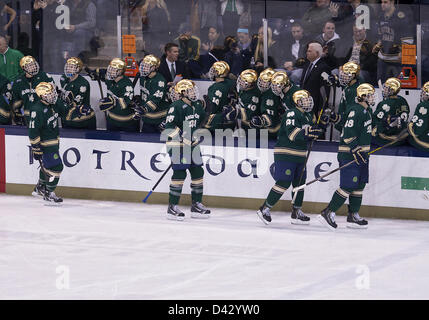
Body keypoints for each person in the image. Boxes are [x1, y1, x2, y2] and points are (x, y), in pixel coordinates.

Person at [256, 90, 323, 225]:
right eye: (305, 99)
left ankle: (296, 211)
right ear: (297, 101)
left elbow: (308, 133)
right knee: (284, 182)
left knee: (300, 184)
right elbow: (292, 134)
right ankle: (264, 208)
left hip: (300, 154)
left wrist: (317, 130)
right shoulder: (292, 113)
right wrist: (307, 132)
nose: (308, 101)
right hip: (286, 152)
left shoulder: (308, 116)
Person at [318, 83, 375, 230]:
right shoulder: (356, 111)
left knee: (359, 185)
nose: (372, 97)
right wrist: (356, 150)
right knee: (348, 185)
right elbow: (348, 133)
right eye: (370, 95)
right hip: (351, 154)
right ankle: (328, 212)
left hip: (362, 155)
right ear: (362, 96)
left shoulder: (367, 111)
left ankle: (353, 215)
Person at [163, 79, 211, 220]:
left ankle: (196, 205)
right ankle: (172, 206)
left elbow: (203, 121)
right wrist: (183, 136)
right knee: (180, 173)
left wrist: (212, 113)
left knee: (198, 171)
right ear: (182, 93)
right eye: (190, 91)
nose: (193, 93)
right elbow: (169, 128)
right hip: (177, 145)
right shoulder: (176, 106)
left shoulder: (196, 105)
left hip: (193, 144)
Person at [29, 82, 73, 204]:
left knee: (48, 166)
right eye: (50, 94)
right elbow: (33, 130)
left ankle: (40, 187)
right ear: (42, 96)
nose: (53, 96)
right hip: (45, 144)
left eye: (53, 93)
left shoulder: (54, 104)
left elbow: (65, 114)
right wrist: (35, 147)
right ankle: (49, 192)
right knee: (58, 166)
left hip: (54, 141)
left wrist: (69, 103)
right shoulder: (37, 110)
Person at [88, 58, 138, 132]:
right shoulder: (110, 79)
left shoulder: (127, 85)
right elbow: (103, 74)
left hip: (126, 123)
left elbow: (124, 104)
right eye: (110, 68)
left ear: (121, 71)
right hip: (111, 120)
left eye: (114, 69)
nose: (110, 71)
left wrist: (112, 102)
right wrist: (96, 73)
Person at [372, 0, 414, 83]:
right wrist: (377, 45)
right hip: (383, 57)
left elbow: (408, 37)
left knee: (397, 86)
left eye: (385, 2)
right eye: (381, 2)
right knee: (381, 84)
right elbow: (381, 34)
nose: (382, 5)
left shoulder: (401, 17)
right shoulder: (381, 16)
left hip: (397, 60)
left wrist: (403, 52)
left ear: (392, 2)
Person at [11, 55, 55, 126]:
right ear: (24, 68)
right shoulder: (18, 81)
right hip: (27, 117)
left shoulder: (45, 77)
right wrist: (17, 116)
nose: (33, 67)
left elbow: (53, 98)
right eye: (30, 65)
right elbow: (15, 102)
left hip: (44, 116)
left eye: (34, 64)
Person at [132, 54, 169, 133]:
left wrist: (144, 109)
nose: (143, 68)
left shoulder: (160, 81)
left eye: (147, 66)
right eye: (143, 65)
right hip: (147, 118)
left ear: (154, 67)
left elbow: (155, 100)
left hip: (160, 119)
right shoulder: (142, 77)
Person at [59, 57, 96, 130]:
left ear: (78, 69)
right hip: (67, 115)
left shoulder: (83, 83)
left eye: (72, 67)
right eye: (68, 66)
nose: (69, 69)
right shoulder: (63, 78)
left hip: (80, 117)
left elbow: (75, 103)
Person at [371, 77, 409, 146]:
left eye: (386, 88)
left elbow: (375, 121)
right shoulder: (403, 100)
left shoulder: (384, 104)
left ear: (392, 90)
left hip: (386, 139)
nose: (384, 90)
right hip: (400, 137)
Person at [299, 42, 330, 122]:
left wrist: (321, 108)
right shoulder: (307, 65)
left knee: (315, 132)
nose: (307, 53)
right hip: (304, 104)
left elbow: (324, 91)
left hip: (315, 107)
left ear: (316, 53)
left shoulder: (324, 68)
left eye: (309, 51)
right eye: (307, 51)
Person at [328, 61, 361, 134]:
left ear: (353, 75)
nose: (343, 76)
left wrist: (339, 119)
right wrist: (336, 80)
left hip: (351, 125)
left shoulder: (354, 91)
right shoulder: (350, 84)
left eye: (346, 74)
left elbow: (351, 112)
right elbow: (342, 84)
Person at [204, 61, 237, 132]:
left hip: (218, 123)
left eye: (214, 70)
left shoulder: (215, 87)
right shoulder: (231, 82)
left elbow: (212, 108)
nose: (212, 72)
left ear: (218, 72)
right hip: (232, 123)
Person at [252, 68, 282, 139]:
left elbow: (270, 115)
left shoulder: (272, 94)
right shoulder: (260, 90)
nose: (262, 84)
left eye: (266, 82)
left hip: (273, 125)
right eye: (262, 81)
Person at [408, 81, 429, 153]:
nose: (421, 94)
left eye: (424, 92)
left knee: (409, 136)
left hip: (426, 140)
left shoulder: (423, 105)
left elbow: (418, 131)